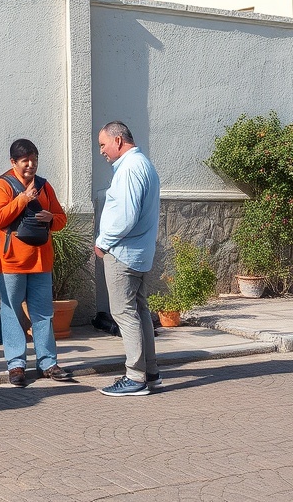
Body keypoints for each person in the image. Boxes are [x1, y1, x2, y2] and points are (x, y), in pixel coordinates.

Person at [0, 138, 71, 388]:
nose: (31, 165)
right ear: (13, 162)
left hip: (41, 261)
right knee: (12, 312)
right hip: (11, 261)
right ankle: (16, 365)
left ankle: (48, 363)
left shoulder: (45, 186)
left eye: (34, 159)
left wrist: (50, 217)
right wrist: (23, 199)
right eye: (25, 161)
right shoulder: (1, 185)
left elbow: (61, 219)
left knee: (43, 313)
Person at [94, 121, 162, 396]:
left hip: (123, 253)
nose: (101, 151)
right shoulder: (142, 164)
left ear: (118, 140)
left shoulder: (131, 168)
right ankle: (151, 372)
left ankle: (135, 378)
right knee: (140, 311)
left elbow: (125, 215)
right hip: (137, 253)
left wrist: (103, 241)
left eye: (103, 144)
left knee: (124, 313)